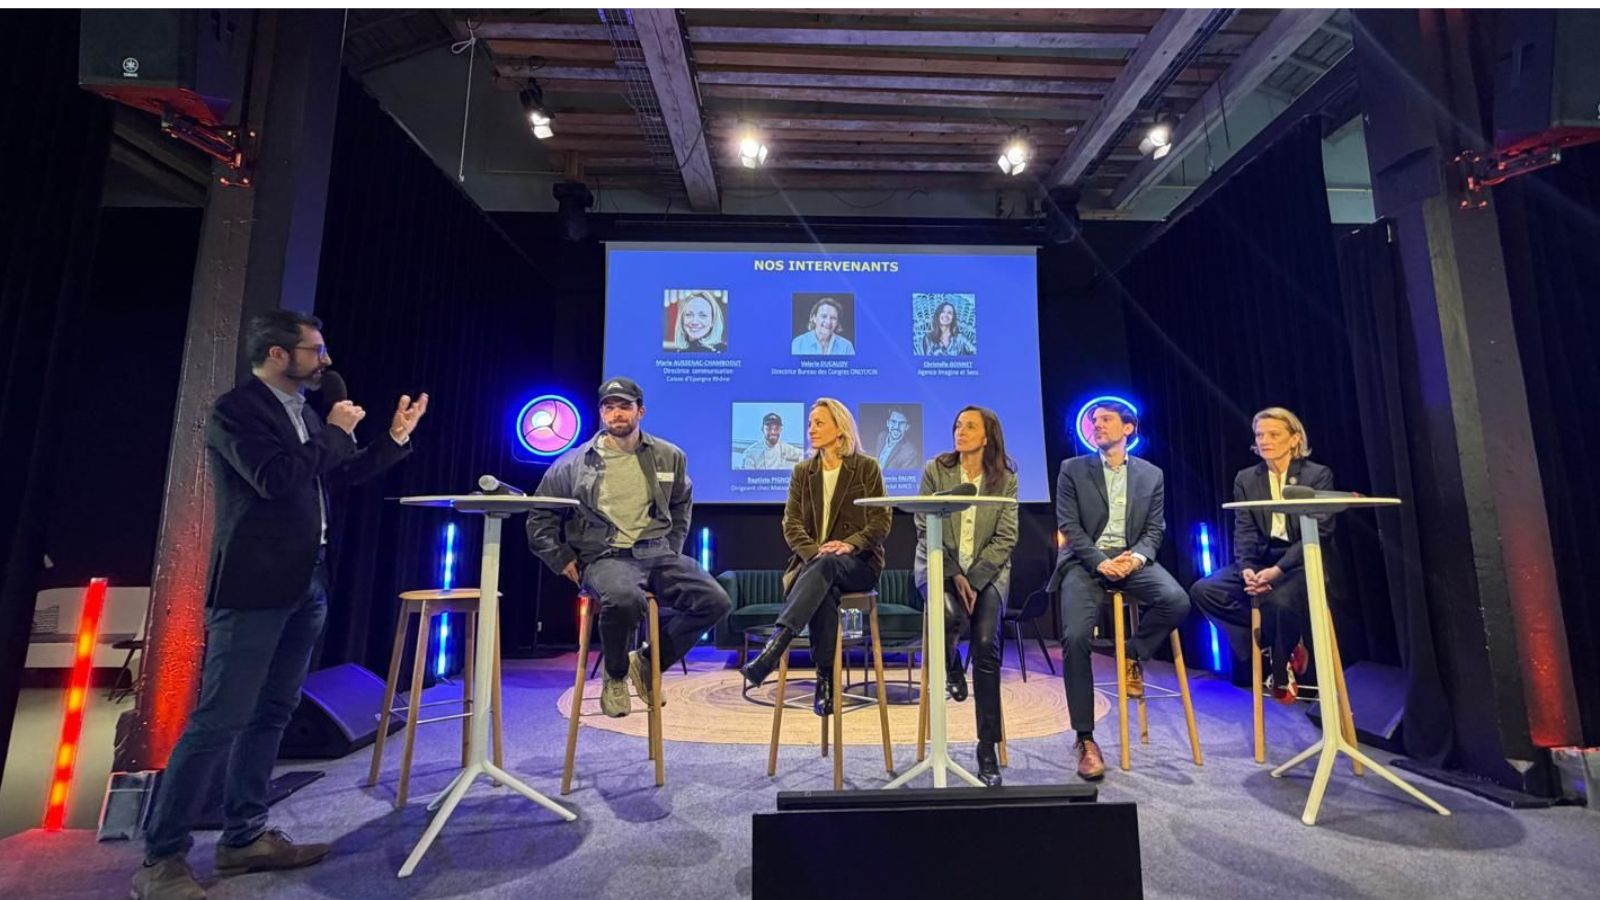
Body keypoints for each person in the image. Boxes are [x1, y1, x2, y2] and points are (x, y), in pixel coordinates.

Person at [134, 311, 428, 900]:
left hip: (306, 583)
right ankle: (161, 859)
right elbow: (274, 480)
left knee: (273, 712)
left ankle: (244, 837)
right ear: (276, 354)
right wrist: (335, 433)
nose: (325, 361)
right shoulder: (236, 412)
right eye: (314, 351)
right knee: (220, 717)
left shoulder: (302, 414)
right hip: (254, 588)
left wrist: (390, 439)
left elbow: (332, 479)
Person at [527, 377, 731, 719]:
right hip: (605, 556)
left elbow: (681, 502)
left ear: (640, 411)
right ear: (601, 413)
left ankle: (648, 662)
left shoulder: (669, 456)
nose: (616, 414)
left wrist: (674, 544)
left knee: (715, 600)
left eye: (624, 406)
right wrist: (560, 557)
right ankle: (616, 676)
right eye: (609, 407)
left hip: (656, 552)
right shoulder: (573, 463)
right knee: (624, 599)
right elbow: (540, 514)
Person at [1047, 400, 1190, 781]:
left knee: (1176, 600)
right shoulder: (1072, 469)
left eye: (1106, 420)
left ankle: (1133, 655)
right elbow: (1069, 526)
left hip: (1132, 560)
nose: (1097, 426)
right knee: (1076, 637)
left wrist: (1138, 558)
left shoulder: (1151, 474)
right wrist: (1099, 561)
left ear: (1128, 429)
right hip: (1085, 561)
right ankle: (1086, 739)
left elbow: (1154, 530)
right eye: (1094, 421)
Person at [740, 398, 891, 716]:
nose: (811, 429)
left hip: (858, 564)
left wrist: (849, 544)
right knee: (825, 586)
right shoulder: (802, 471)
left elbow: (880, 522)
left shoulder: (866, 468)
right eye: (810, 423)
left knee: (829, 568)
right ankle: (825, 681)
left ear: (840, 429)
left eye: (819, 423)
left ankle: (776, 646)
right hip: (813, 565)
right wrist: (814, 553)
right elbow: (790, 524)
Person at [1189, 407, 1333, 702]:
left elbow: (1319, 530)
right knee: (1205, 590)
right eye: (1259, 435)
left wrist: (1277, 571)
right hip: (1261, 559)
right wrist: (1248, 570)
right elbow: (1244, 529)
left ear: (1294, 439)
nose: (1265, 440)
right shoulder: (1247, 478)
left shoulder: (1317, 475)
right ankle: (1271, 640)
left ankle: (1280, 667)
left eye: (1273, 435)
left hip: (1301, 559)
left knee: (1280, 602)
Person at [914, 406, 1018, 786]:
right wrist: (956, 573)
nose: (960, 431)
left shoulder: (1004, 478)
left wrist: (974, 579)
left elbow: (1007, 535)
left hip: (987, 575)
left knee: (987, 645)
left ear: (987, 436)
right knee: (944, 617)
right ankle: (952, 668)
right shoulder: (936, 470)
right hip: (940, 564)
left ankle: (986, 748)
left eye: (969, 426)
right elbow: (924, 523)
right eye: (957, 424)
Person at [790, 297, 856, 356]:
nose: (828, 322)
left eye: (833, 318)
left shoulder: (847, 346)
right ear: (813, 318)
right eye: (824, 316)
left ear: (838, 322)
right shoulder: (798, 343)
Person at [740, 411, 805, 470]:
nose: (773, 432)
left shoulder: (783, 447)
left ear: (781, 430)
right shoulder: (750, 453)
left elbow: (803, 454)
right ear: (762, 429)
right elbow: (747, 479)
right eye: (768, 428)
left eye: (776, 428)